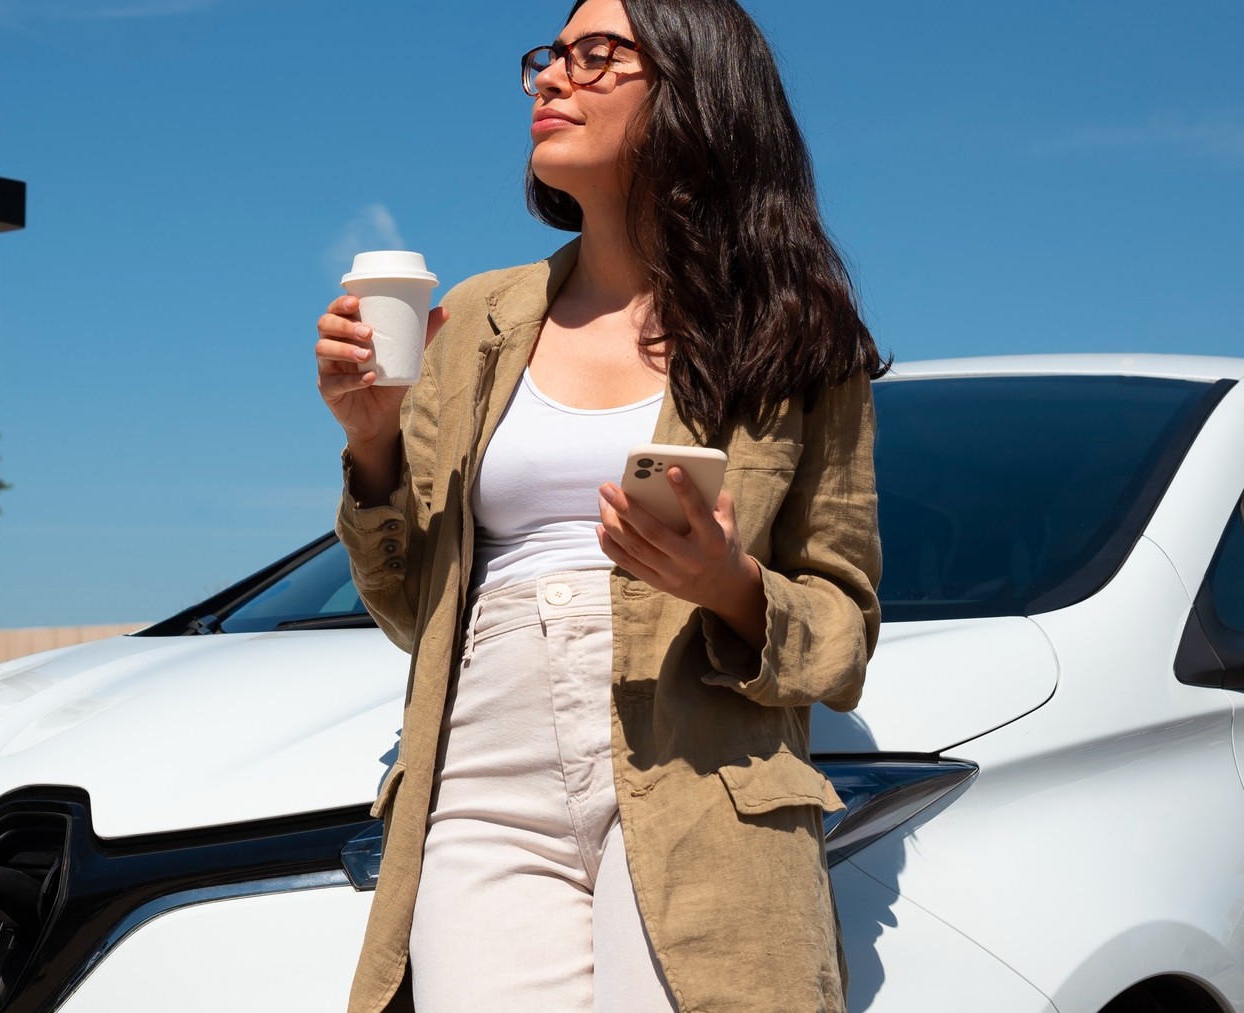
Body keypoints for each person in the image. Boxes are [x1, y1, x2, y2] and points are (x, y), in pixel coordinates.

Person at [313, 1, 886, 1012]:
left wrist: (729, 584)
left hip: (699, 774)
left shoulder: (798, 335)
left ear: (693, 89)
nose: (549, 80)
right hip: (483, 784)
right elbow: (417, 611)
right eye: (548, 57)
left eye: (596, 56)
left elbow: (841, 633)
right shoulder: (477, 323)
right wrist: (370, 444)